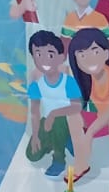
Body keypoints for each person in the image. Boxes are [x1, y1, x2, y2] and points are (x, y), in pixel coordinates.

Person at [68, 25, 109, 192]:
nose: (89, 59)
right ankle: (81, 163)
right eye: (82, 54)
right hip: (103, 120)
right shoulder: (87, 81)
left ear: (106, 53)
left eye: (95, 51)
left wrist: (89, 133)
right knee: (72, 115)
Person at [25, 29, 89, 179]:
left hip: (69, 121)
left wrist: (54, 114)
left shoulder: (68, 81)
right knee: (32, 155)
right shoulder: (36, 84)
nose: (44, 60)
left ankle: (59, 159)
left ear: (60, 57)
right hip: (47, 121)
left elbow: (77, 106)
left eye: (50, 55)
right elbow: (35, 112)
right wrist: (36, 135)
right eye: (38, 55)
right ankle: (60, 141)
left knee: (58, 122)